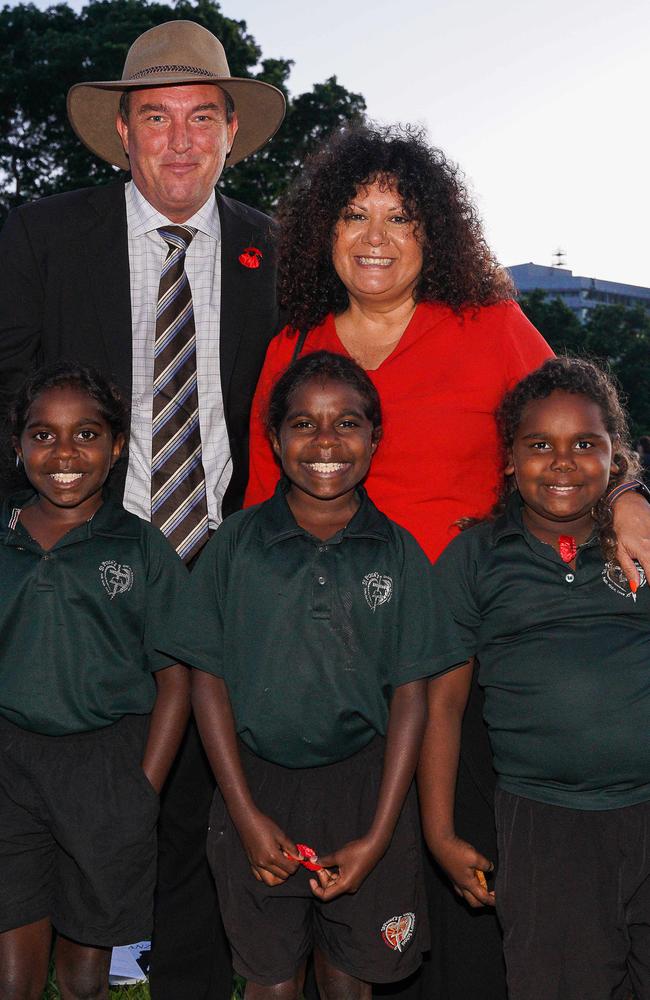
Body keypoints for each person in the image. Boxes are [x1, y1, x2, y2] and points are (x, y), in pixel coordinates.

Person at [245, 124, 650, 999]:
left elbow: (578, 427)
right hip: (340, 661)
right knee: (353, 894)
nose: (377, 235)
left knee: (475, 882)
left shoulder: (489, 325)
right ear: (326, 231)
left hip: (475, 646)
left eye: (401, 215)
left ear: (436, 232)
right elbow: (257, 514)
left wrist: (628, 499)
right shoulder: (295, 348)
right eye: (355, 214)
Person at [0, 20, 285, 997]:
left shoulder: (272, 250)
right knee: (70, 826)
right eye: (155, 118)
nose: (178, 140)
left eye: (200, 118)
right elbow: (7, 386)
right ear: (122, 133)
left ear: (228, 134)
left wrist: (626, 485)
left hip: (218, 579)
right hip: (82, 585)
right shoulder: (46, 233)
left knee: (201, 821)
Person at [160, 351, 462, 997]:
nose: (326, 442)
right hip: (255, 783)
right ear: (274, 438)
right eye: (304, 424)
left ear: (375, 438)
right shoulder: (237, 544)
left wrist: (379, 834)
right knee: (270, 976)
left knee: (352, 977)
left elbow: (413, 693)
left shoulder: (399, 551)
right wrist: (243, 813)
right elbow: (205, 677)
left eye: (347, 423)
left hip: (366, 787)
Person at [420, 357, 650, 1000]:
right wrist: (440, 832)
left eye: (585, 444)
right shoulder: (477, 556)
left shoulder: (643, 541)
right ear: (509, 461)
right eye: (539, 445)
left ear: (616, 457)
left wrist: (638, 500)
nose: (563, 462)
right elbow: (443, 704)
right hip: (545, 824)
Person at [0, 361, 190, 1000]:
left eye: (85, 435)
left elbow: (175, 677)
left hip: (108, 768)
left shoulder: (139, 548)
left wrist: (143, 787)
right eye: (42, 434)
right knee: (13, 966)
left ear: (115, 451)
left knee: (85, 973)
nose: (63, 453)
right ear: (17, 445)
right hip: (9, 764)